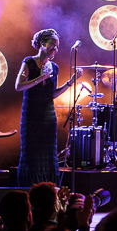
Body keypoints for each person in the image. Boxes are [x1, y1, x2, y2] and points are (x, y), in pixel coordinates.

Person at [14, 29, 79, 187]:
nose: (55, 49)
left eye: (57, 46)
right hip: (32, 113)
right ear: (42, 44)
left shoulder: (54, 67)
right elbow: (18, 86)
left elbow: (52, 94)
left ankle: (49, 192)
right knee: (32, 154)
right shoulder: (29, 62)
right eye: (52, 45)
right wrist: (40, 78)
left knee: (49, 156)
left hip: (48, 114)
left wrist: (70, 82)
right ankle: (29, 191)